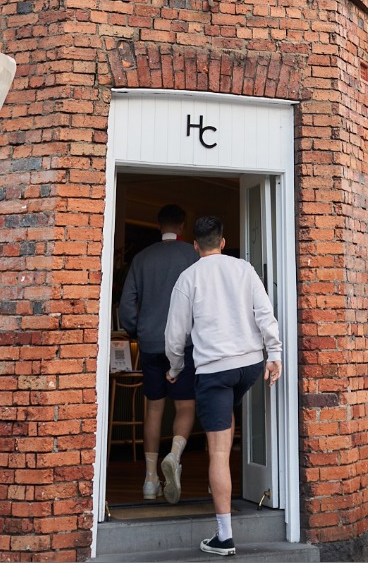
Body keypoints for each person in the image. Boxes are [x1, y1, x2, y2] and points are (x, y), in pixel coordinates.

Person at [165, 216, 282, 557]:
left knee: (218, 453)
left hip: (215, 371)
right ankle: (223, 489)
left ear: (195, 246)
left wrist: (175, 368)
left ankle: (224, 537)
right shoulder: (243, 268)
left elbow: (175, 335)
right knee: (225, 419)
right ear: (224, 241)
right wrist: (273, 353)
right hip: (249, 365)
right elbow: (265, 313)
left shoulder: (188, 278)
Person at [118, 204, 199, 504]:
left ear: (157, 224)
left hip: (151, 343)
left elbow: (127, 304)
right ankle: (174, 456)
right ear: (182, 225)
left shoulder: (141, 258)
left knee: (153, 408)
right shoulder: (192, 257)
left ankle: (150, 480)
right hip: (185, 343)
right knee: (185, 406)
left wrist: (134, 330)